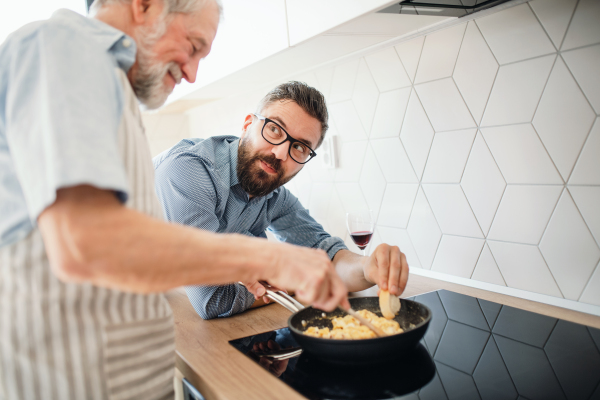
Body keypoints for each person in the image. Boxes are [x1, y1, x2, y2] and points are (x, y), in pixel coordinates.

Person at [0, 1, 348, 399]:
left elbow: (127, 251)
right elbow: (84, 244)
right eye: (194, 44)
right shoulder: (63, 48)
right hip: (73, 381)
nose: (192, 72)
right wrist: (269, 258)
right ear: (144, 5)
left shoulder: (111, 89)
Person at [153, 81, 410, 320]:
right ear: (247, 125)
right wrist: (296, 279)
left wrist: (367, 268)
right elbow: (211, 299)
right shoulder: (188, 171)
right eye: (275, 130)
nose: (280, 153)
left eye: (299, 147)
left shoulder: (274, 196)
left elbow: (327, 256)